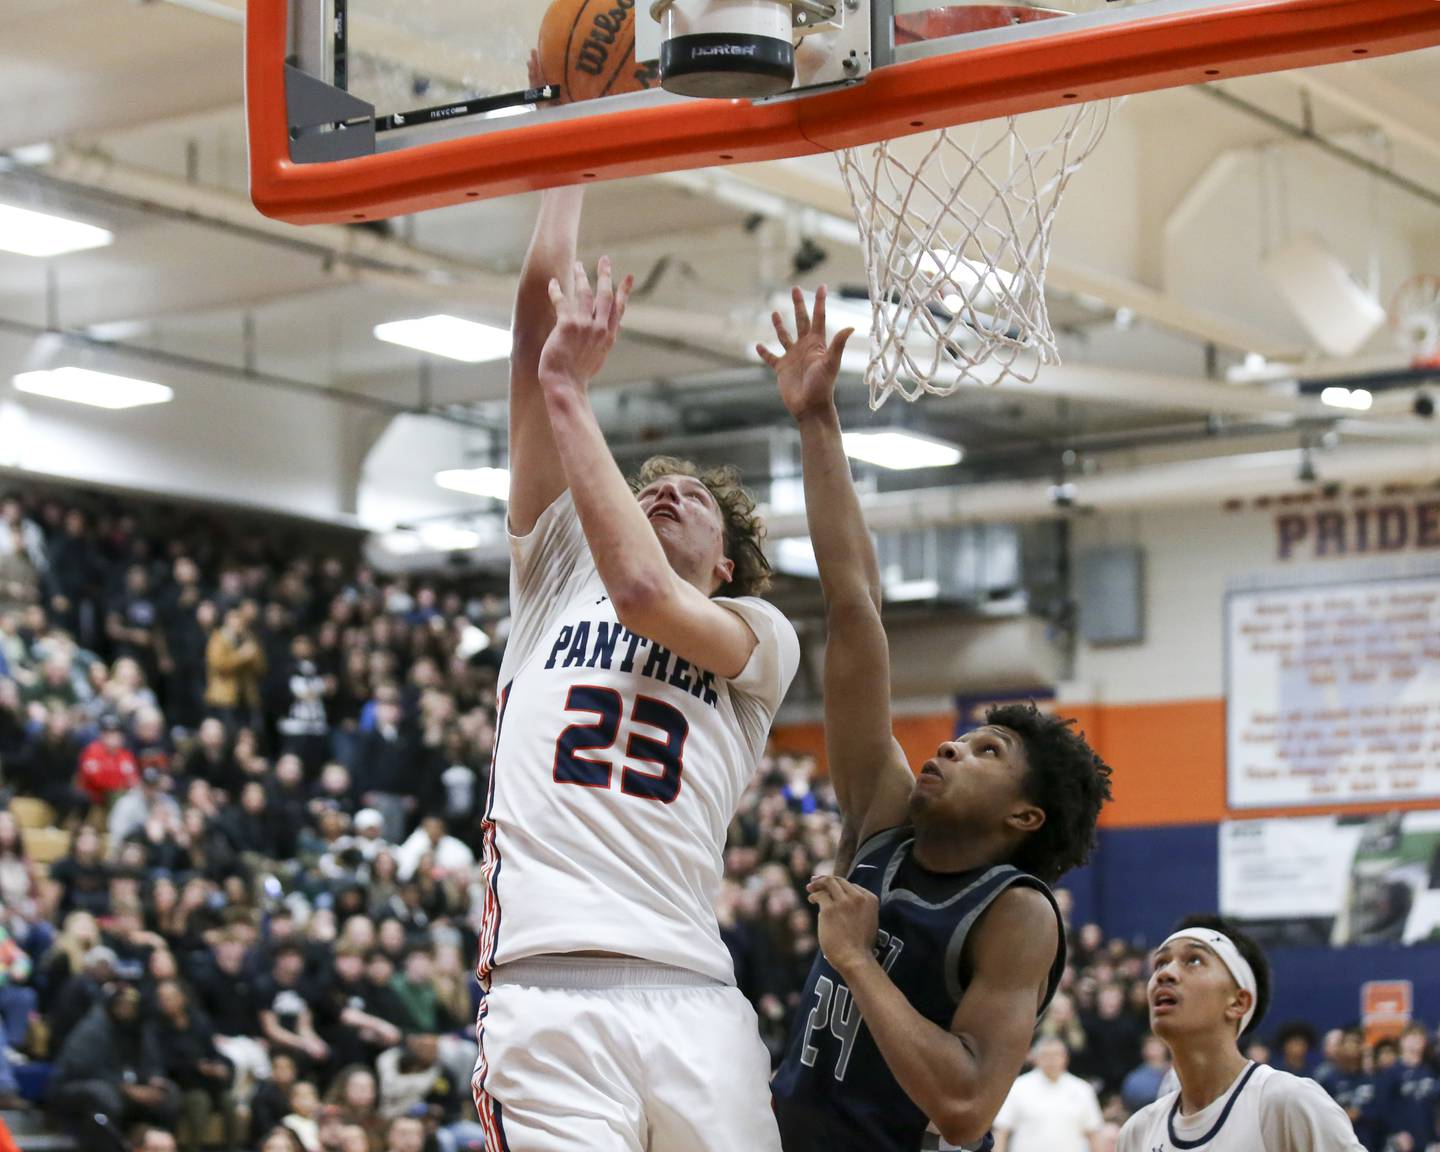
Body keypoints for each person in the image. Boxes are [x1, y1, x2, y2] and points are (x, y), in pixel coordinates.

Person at [470, 187, 799, 1152]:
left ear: (728, 563)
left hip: (690, 988)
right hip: (545, 985)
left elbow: (649, 595)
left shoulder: (758, 636)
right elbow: (532, 347)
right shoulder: (557, 572)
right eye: (651, 488)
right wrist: (566, 162)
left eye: (693, 496)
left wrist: (573, 394)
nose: (667, 493)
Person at [760, 285, 1113, 1152]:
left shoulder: (1016, 913)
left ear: (1024, 815)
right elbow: (854, 609)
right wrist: (816, 421)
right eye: (965, 738)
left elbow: (965, 1106)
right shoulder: (884, 820)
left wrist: (854, 959)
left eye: (987, 751)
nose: (952, 747)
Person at [1117, 915, 1364, 1151]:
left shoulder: (1287, 1102)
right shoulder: (1138, 1132)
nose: (1165, 973)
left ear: (1238, 1002)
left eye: (1194, 960)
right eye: (1160, 963)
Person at [992, 1038, 1104, 1152]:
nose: (1052, 1060)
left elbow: (1094, 1132)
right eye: (1046, 1055)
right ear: (1035, 1059)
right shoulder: (1018, 1087)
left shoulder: (1082, 1089)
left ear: (1065, 1058)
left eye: (1056, 1055)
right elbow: (1001, 1131)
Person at [1314, 1027, 1381, 1151]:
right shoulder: (1328, 1080)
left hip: (1366, 1141)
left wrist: (1361, 1113)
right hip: (1337, 1142)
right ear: (1339, 1048)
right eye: (1347, 1042)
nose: (1352, 1046)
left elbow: (1381, 1111)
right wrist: (1343, 1114)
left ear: (1362, 1048)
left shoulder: (1373, 1080)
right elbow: (1319, 1113)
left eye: (1356, 1042)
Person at [1376, 1023, 1439, 1152]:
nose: (1416, 1041)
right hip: (1400, 1142)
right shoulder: (1392, 1073)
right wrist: (1397, 1131)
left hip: (1428, 1142)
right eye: (1412, 1036)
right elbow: (1382, 1107)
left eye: (1420, 1037)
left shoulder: (1431, 1071)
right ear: (1402, 1041)